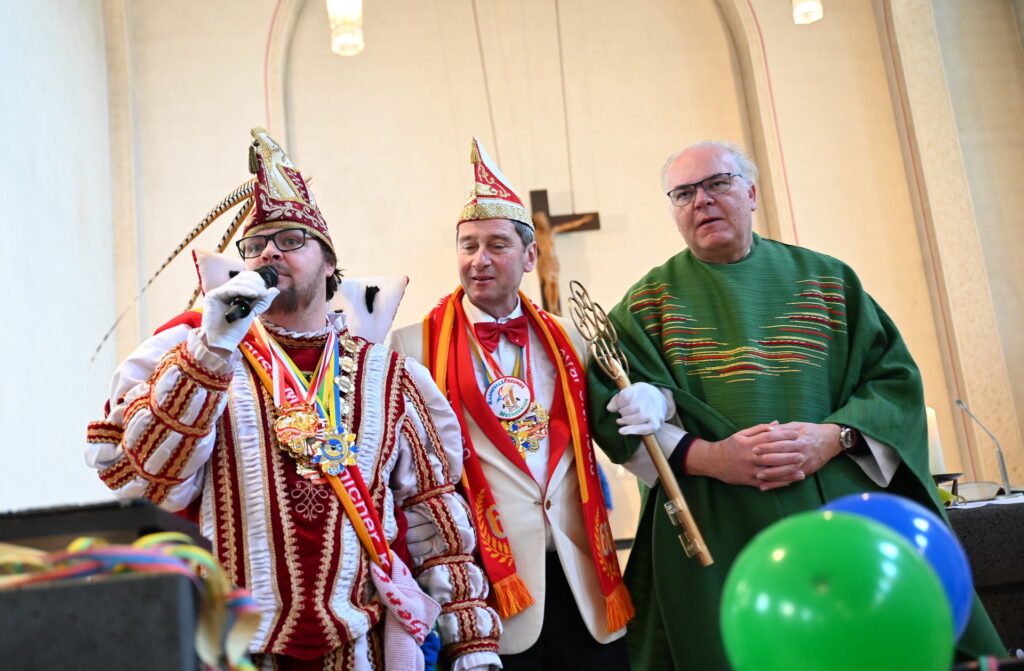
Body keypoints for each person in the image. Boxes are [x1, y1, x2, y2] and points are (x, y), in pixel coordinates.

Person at [86, 128, 502, 671]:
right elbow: (152, 481)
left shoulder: (391, 374)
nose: (267, 254)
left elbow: (434, 514)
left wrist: (472, 642)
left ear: (330, 263)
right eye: (254, 246)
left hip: (360, 648)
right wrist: (210, 352)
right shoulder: (203, 359)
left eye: (288, 240)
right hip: (235, 651)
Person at [587, 141, 1005, 670]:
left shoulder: (828, 281)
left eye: (717, 184)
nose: (701, 202)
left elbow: (894, 382)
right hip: (715, 519)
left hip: (831, 508)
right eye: (684, 193)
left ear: (752, 192)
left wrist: (833, 437)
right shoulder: (646, 304)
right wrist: (713, 457)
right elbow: (611, 410)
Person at [386, 137, 633, 671]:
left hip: (584, 574)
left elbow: (612, 432)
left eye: (496, 244)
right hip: (491, 589)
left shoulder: (572, 337)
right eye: (468, 245)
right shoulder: (411, 346)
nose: (479, 260)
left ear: (530, 255)